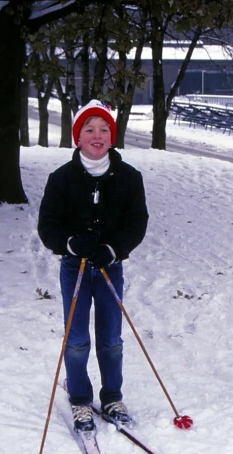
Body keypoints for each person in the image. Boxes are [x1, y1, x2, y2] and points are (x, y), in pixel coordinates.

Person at [38, 99, 149, 431]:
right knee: (76, 339)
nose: (97, 136)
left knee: (111, 337)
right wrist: (71, 243)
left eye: (104, 129)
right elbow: (48, 226)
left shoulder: (129, 177)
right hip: (74, 267)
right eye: (89, 129)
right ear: (78, 137)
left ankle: (112, 395)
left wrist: (114, 249)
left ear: (112, 138)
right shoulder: (61, 178)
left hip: (108, 267)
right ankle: (80, 400)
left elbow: (137, 222)